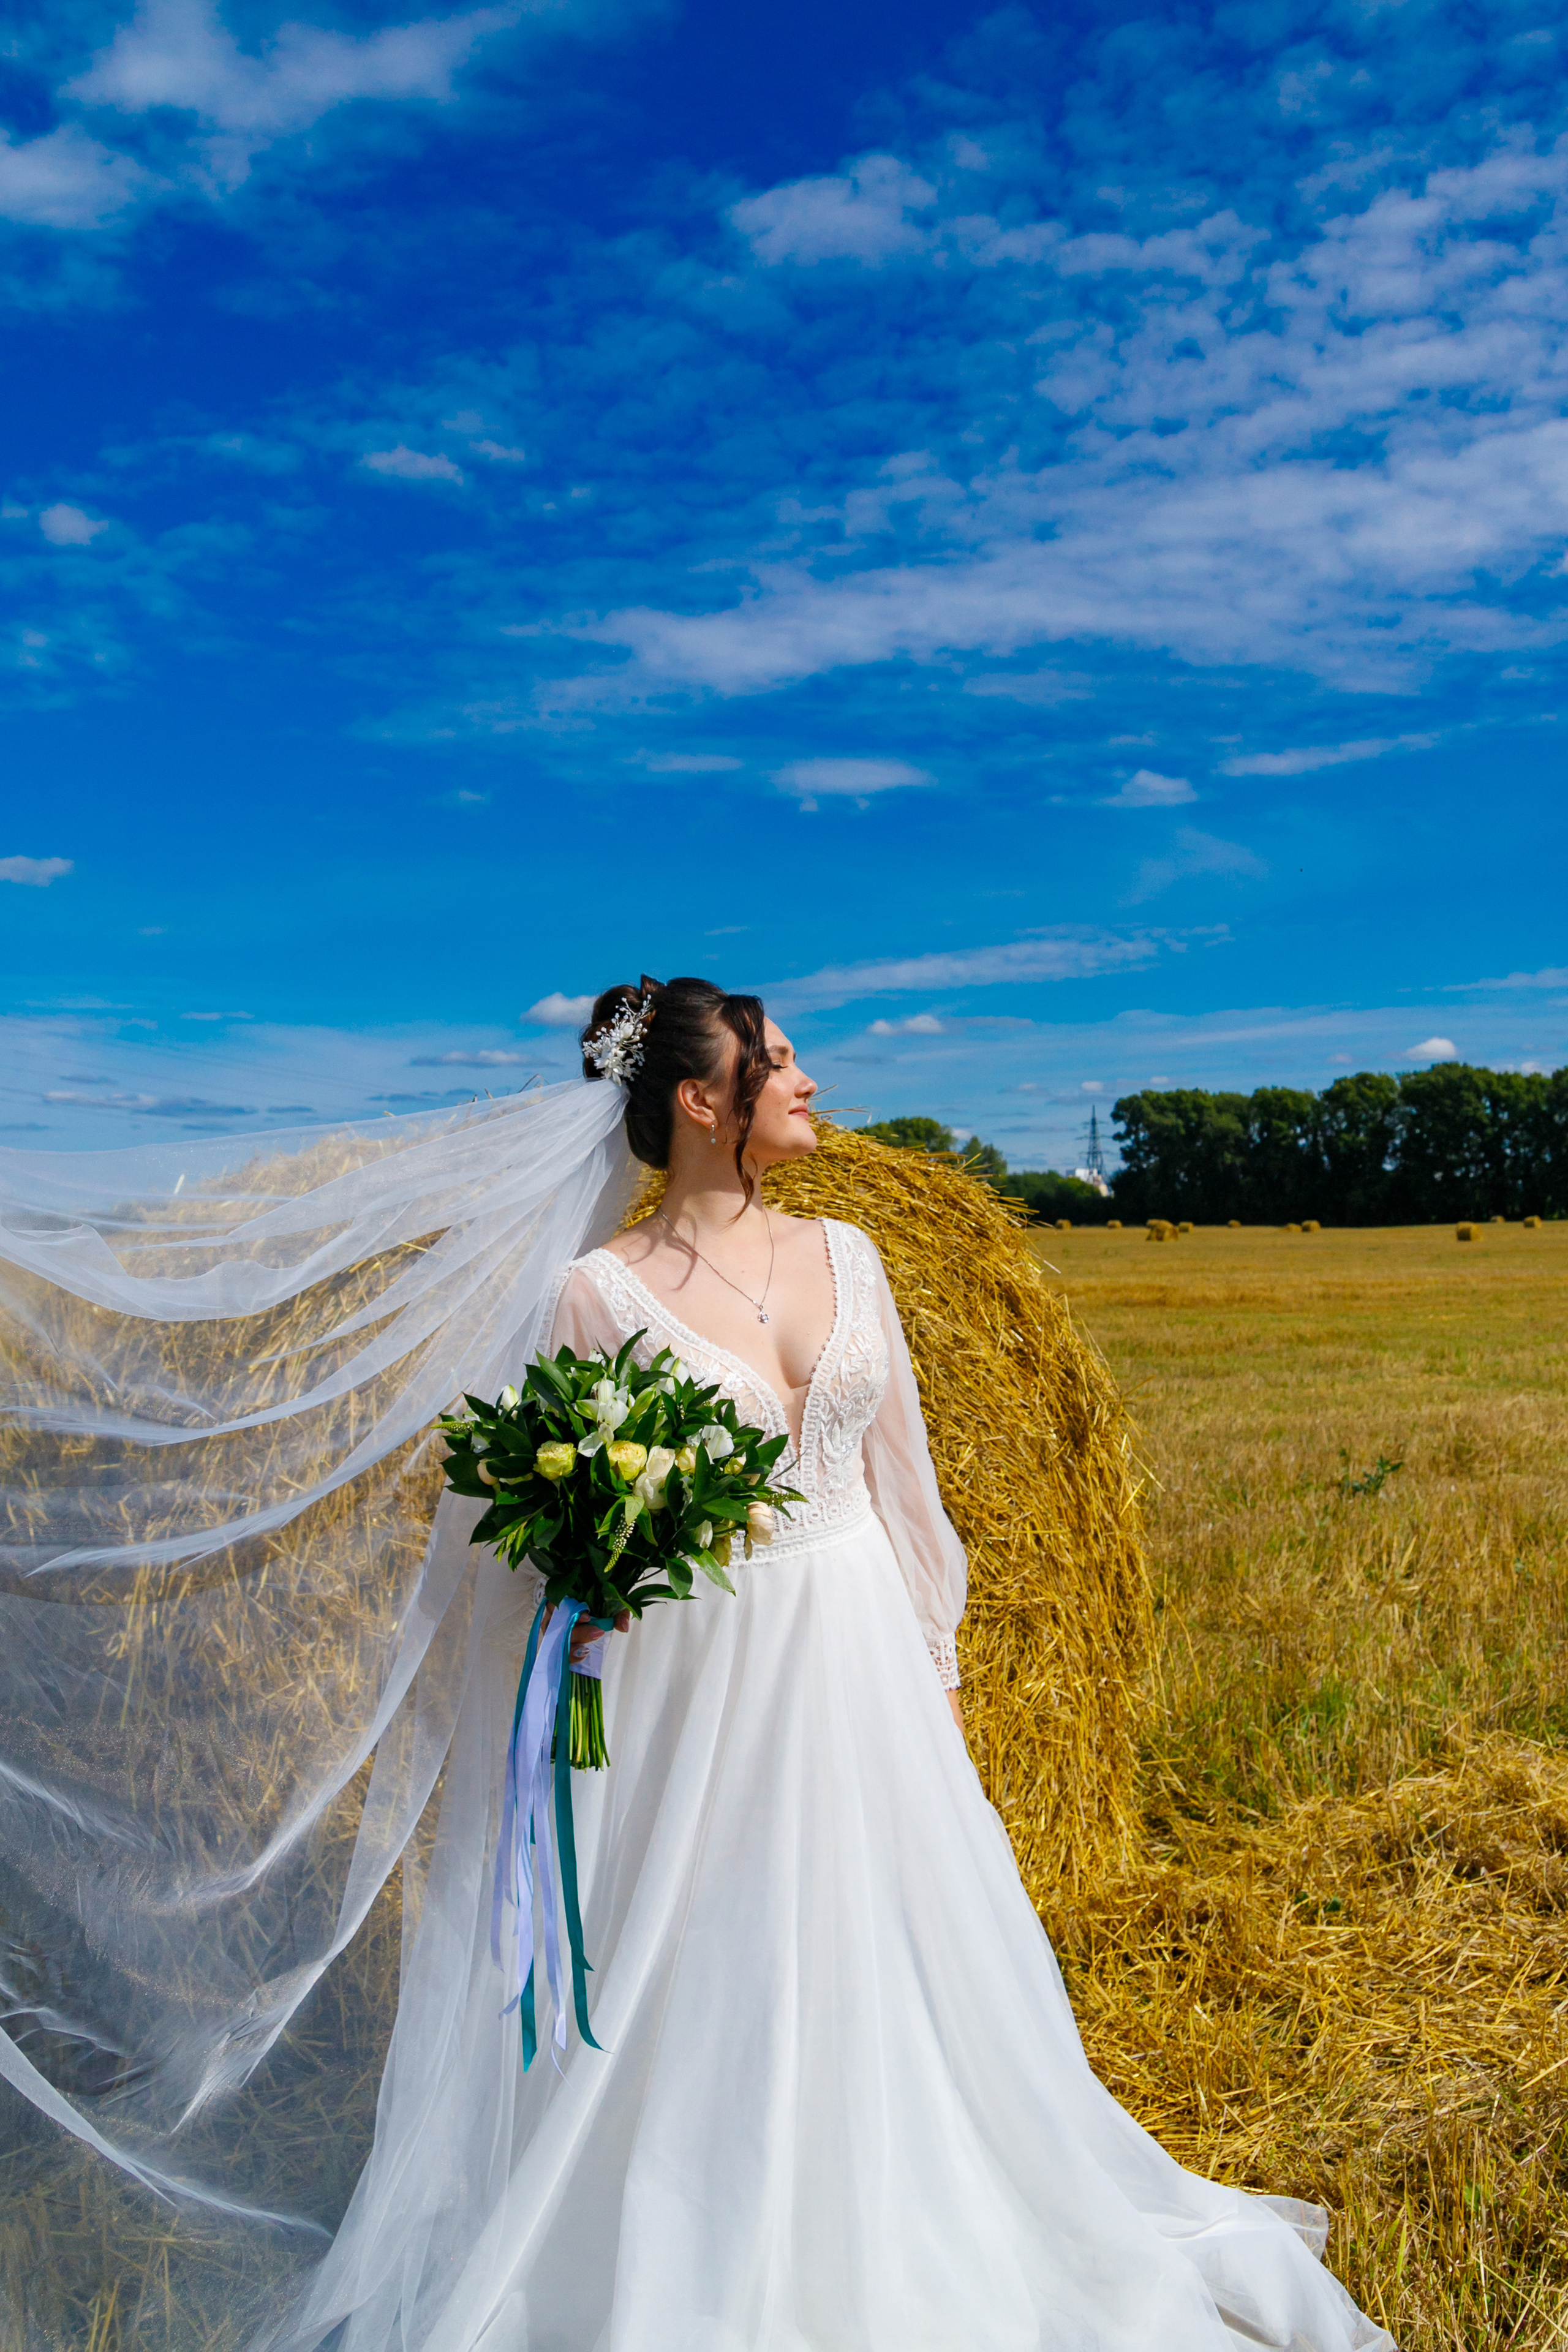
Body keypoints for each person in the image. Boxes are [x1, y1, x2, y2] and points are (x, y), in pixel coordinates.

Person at [271, 976, 1390, 2352]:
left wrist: (935, 1667)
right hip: (707, 1677)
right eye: (778, 1061)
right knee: (719, 1963)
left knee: (893, 1950)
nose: (807, 1082)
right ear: (699, 1100)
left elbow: (907, 1488)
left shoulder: (852, 1254)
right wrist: (602, 1594)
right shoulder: (590, 1295)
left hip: (860, 1653)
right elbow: (543, 1552)